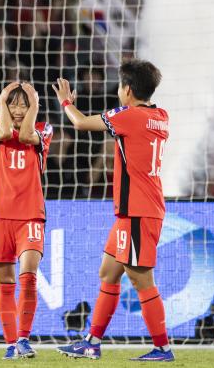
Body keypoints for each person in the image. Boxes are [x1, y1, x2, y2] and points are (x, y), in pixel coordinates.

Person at [53, 58, 174, 362]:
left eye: (121, 85)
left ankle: (162, 347)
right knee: (108, 272)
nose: (118, 90)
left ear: (128, 89)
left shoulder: (129, 116)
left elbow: (80, 122)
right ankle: (92, 342)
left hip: (138, 210)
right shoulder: (160, 115)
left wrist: (66, 102)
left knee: (141, 280)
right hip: (137, 209)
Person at [0, 81, 53, 360]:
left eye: (24, 104)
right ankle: (11, 343)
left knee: (28, 276)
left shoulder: (44, 129)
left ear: (33, 107)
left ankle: (24, 338)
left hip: (30, 215)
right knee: (5, 282)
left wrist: (34, 104)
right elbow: (4, 132)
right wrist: (2, 100)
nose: (18, 109)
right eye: (13, 103)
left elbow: (25, 136)